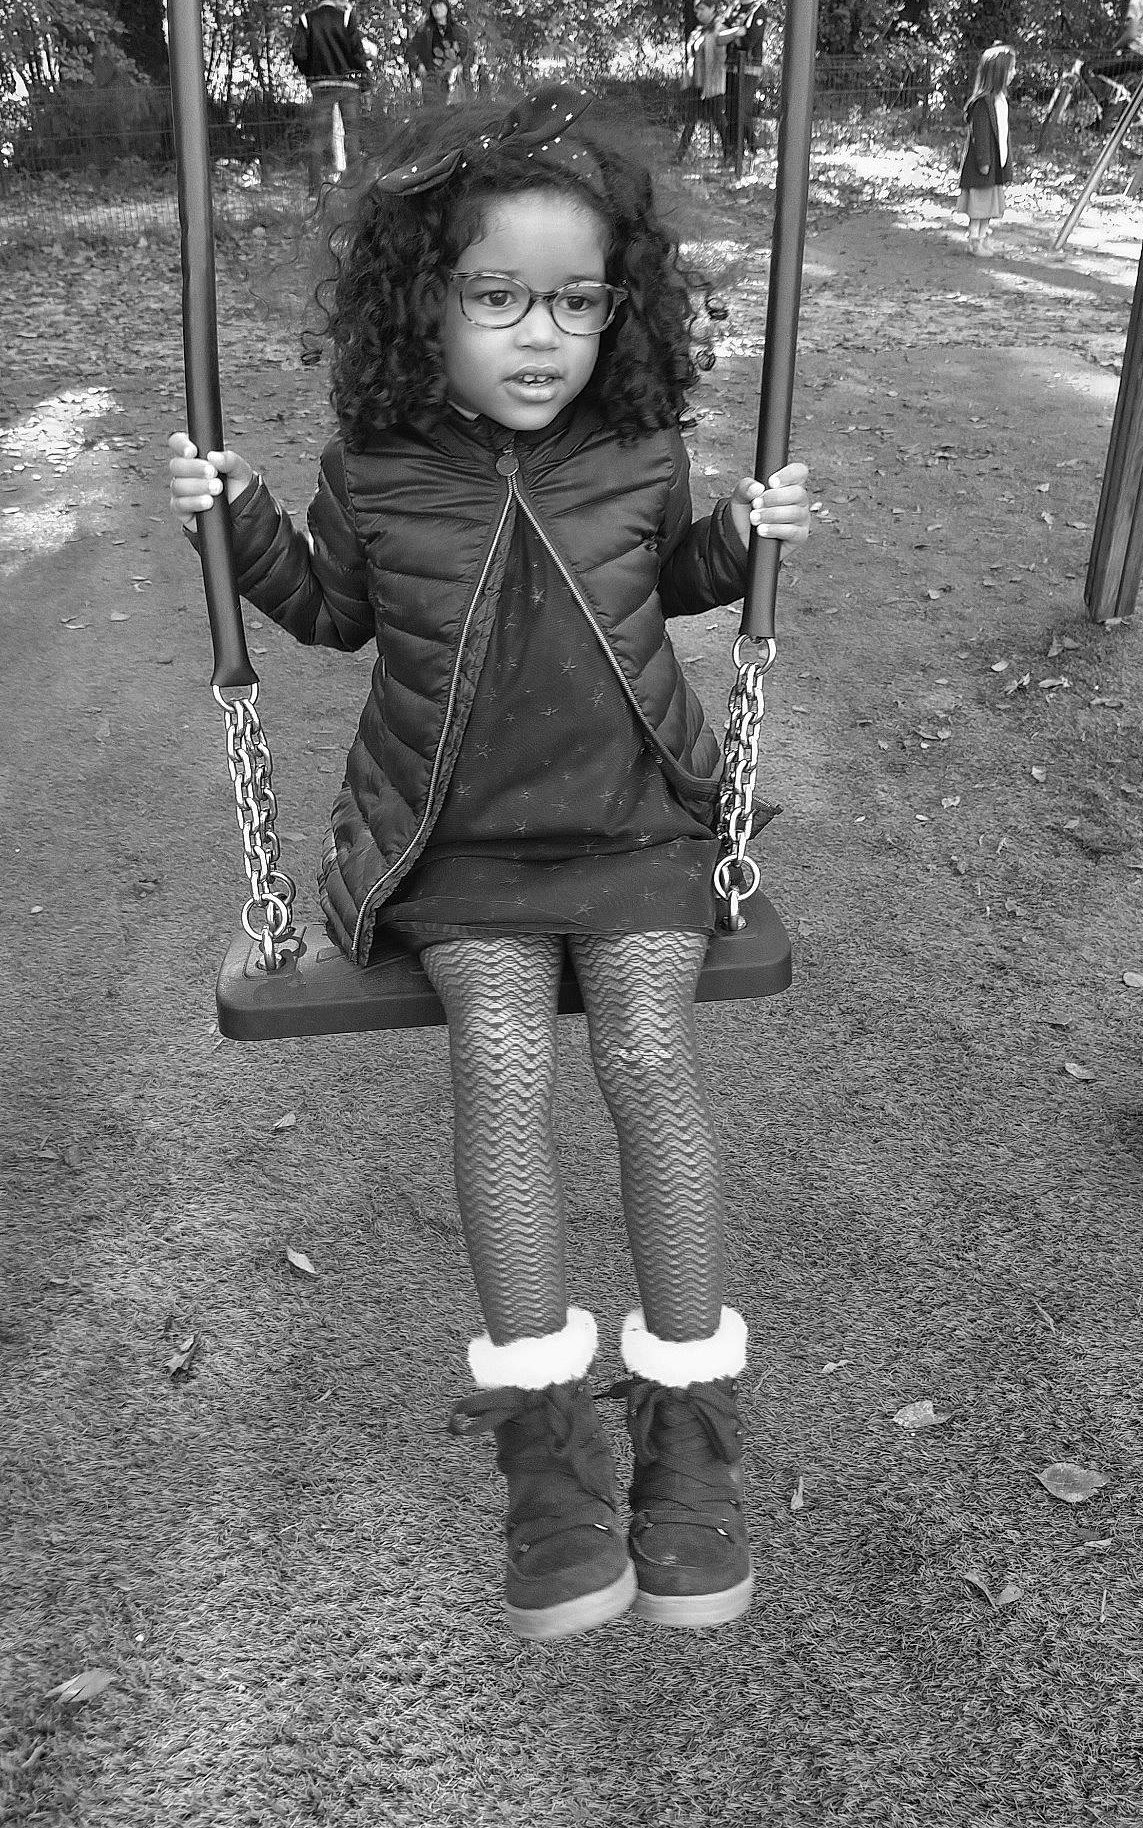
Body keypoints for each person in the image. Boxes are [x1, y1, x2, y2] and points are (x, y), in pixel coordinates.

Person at [167, 84, 810, 1644]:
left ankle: (687, 1441)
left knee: (652, 1056)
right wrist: (238, 519)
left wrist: (749, 530)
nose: (542, 335)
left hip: (636, 823)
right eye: (499, 297)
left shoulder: (638, 451)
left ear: (618, 314)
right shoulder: (378, 467)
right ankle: (548, 1457)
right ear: (425, 307)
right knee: (502, 1067)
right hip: (453, 843)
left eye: (578, 302)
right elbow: (325, 611)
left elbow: (677, 584)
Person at [290, 0, 371, 197]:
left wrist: (311, 73)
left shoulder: (307, 19)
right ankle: (356, 188)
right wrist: (364, 79)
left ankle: (315, 191)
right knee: (352, 135)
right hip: (348, 84)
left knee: (317, 139)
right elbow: (357, 51)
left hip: (321, 84)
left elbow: (299, 52)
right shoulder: (346, 16)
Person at [1075, 0, 1143, 121]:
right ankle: (1122, 102)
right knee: (1106, 74)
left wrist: (1114, 48)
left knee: (1087, 69)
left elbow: (1131, 34)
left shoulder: (1137, 0)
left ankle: (1110, 108)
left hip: (1136, 54)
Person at [958, 43, 1015, 254]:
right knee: (979, 206)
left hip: (996, 164)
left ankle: (982, 238)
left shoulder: (1001, 100)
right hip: (985, 164)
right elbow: (980, 136)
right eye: (1010, 69)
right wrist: (984, 161)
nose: (1013, 74)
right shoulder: (983, 103)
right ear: (998, 72)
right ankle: (974, 241)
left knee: (989, 206)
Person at [673, 0, 741, 162]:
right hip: (697, 82)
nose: (698, 14)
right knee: (691, 120)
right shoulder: (698, 31)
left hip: (713, 83)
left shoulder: (721, 30)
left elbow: (733, 45)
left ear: (713, 9)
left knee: (719, 121)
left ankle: (730, 155)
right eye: (696, 11)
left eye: (702, 9)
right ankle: (679, 156)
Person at [723, 0, 769, 166]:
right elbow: (721, 31)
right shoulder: (733, 8)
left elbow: (749, 41)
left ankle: (744, 152)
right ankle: (744, 150)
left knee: (741, 110)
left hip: (748, 68)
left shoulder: (758, 10)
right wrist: (734, 33)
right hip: (730, 67)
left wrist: (732, 36)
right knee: (732, 111)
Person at [407, 0, 474, 106]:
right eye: (434, 6)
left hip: (455, 78)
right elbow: (410, 52)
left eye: (440, 5)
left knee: (456, 115)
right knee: (434, 115)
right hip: (432, 79)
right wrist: (419, 65)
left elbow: (467, 55)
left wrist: (461, 71)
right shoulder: (424, 31)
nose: (437, 8)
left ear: (447, 8)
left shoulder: (460, 31)